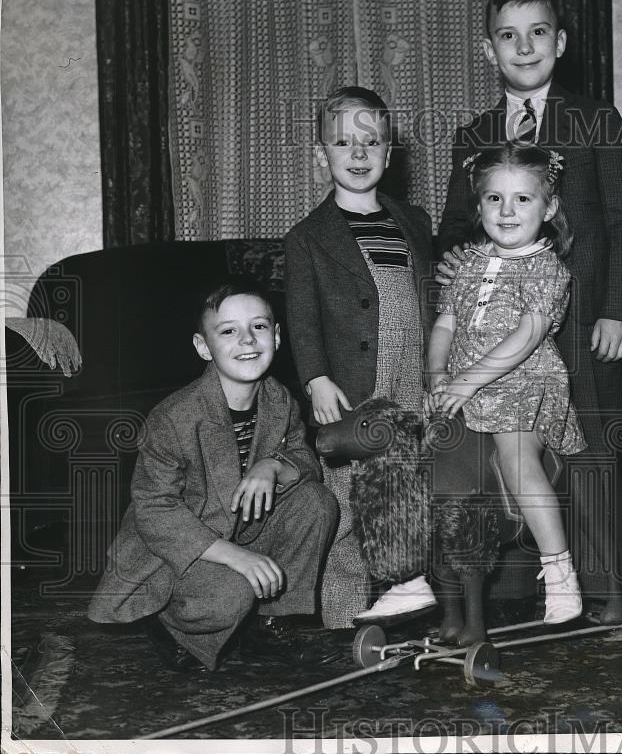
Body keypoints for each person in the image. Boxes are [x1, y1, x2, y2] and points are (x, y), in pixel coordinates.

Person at [436, 0, 622, 623]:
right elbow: (453, 227)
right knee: (508, 452)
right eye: (508, 36)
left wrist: (618, 308)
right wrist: (448, 267)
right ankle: (525, 589)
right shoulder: (474, 135)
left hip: (582, 325)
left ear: (560, 42)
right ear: (488, 50)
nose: (523, 48)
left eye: (537, 33)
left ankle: (613, 592)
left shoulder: (594, 121)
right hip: (498, 336)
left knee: (589, 456)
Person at [88, 280, 338, 672]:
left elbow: (304, 460)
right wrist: (238, 558)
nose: (247, 340)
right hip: (177, 548)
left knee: (317, 502)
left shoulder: (279, 399)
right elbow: (154, 511)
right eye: (228, 331)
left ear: (275, 335)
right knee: (232, 592)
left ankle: (270, 624)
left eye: (258, 327)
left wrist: (271, 465)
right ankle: (168, 624)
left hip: (238, 527)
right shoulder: (174, 418)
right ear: (204, 347)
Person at [284, 86, 435, 628]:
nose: (358, 152)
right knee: (348, 502)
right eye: (343, 142)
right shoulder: (307, 237)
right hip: (350, 384)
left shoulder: (413, 221)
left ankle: (406, 599)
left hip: (412, 376)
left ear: (389, 153)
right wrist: (317, 379)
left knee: (406, 487)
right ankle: (343, 618)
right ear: (320, 155)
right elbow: (301, 319)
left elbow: (433, 296)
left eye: (371, 141)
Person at [427, 142, 587, 624]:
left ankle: (559, 570)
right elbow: (446, 323)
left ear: (550, 207)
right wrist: (438, 374)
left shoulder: (546, 268)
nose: (508, 210)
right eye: (494, 199)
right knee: (415, 450)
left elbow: (529, 334)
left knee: (515, 455)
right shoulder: (470, 263)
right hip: (465, 385)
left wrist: (467, 382)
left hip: (526, 384)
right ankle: (408, 576)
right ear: (478, 207)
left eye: (523, 199)